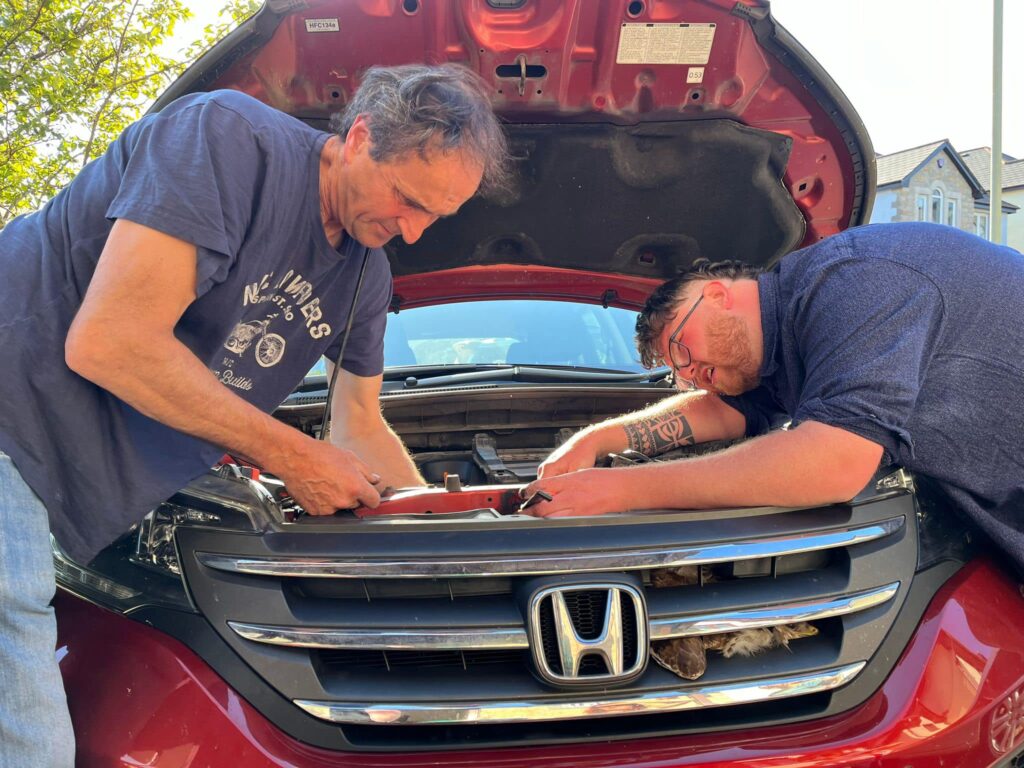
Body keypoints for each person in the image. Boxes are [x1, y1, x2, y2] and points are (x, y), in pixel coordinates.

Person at [0, 64, 509, 767]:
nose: (414, 233)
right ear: (359, 137)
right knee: (28, 731)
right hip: (9, 409)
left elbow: (358, 421)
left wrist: (459, 537)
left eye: (435, 216)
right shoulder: (226, 141)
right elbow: (112, 341)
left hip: (61, 479)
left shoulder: (366, 275)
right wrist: (294, 458)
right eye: (407, 199)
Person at [524, 222, 1024, 576]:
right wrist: (595, 439)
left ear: (716, 294)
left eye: (682, 348)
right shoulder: (782, 347)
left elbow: (836, 463)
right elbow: (718, 411)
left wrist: (620, 490)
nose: (694, 377)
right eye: (680, 374)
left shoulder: (853, 282)